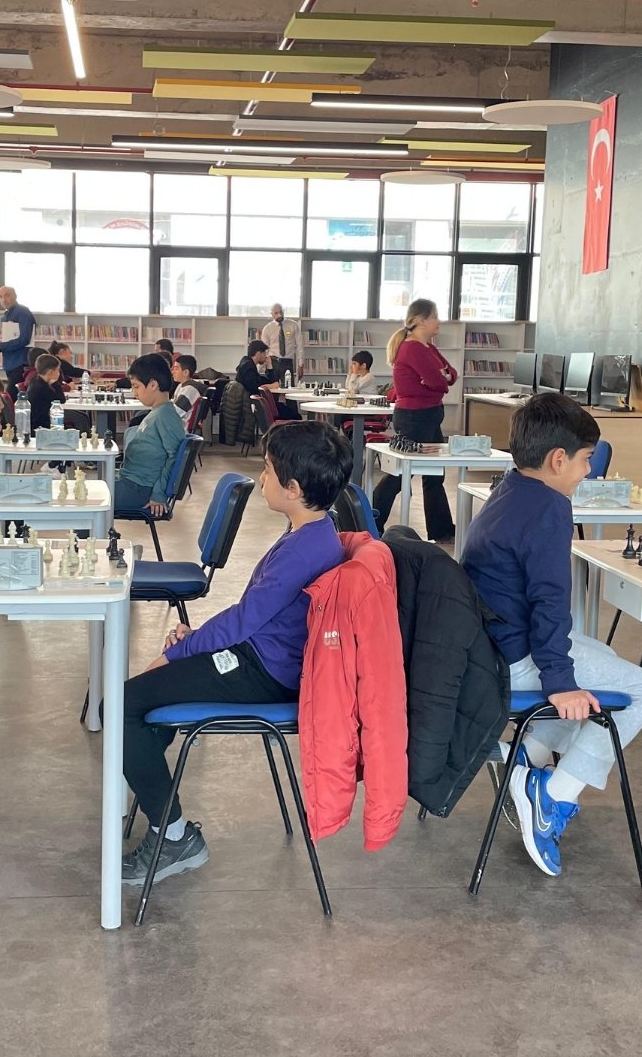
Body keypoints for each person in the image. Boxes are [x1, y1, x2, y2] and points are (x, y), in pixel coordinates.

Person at [121, 420, 352, 885]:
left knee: (123, 705)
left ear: (293, 488)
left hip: (264, 673)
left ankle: (173, 836)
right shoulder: (313, 532)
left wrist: (181, 651)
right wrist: (194, 641)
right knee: (142, 704)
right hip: (259, 657)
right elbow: (254, 618)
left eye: (267, 471)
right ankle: (153, 794)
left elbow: (246, 619)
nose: (262, 479)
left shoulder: (303, 550)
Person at [461, 393, 642, 877]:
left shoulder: (511, 489)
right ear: (558, 459)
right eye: (586, 460)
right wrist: (560, 682)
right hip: (515, 658)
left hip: (491, 647)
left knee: (603, 658)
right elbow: (549, 603)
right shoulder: (549, 507)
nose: (588, 472)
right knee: (638, 689)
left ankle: (527, 756)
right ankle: (552, 795)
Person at [371, 299, 457, 545]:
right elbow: (439, 382)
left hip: (429, 415)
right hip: (415, 417)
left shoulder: (428, 347)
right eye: (435, 317)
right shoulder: (412, 348)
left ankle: (441, 528)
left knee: (434, 475)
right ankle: (369, 520)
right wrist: (439, 379)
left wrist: (440, 378)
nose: (438, 322)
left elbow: (451, 374)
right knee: (400, 474)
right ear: (420, 320)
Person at [114, 353, 186, 515]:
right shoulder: (157, 412)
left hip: (140, 489)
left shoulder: (165, 415)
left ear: (153, 384)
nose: (134, 393)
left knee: (88, 499)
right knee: (89, 490)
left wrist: (159, 494)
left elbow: (175, 458)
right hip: (132, 482)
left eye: (136, 386)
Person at [0, 285, 35, 390]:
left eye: (7, 295)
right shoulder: (5, 316)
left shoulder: (23, 312)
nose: (4, 300)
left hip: (20, 363)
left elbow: (25, 339)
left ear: (15, 296)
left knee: (11, 395)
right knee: (12, 395)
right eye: (0, 297)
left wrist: (0, 345)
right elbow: (9, 339)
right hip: (10, 363)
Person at [260, 303, 304, 377]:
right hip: (272, 361)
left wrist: (300, 364)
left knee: (288, 384)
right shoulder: (267, 328)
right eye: (276, 313)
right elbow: (264, 349)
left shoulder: (293, 325)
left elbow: (300, 345)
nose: (279, 315)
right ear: (271, 314)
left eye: (281, 312)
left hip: (287, 362)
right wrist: (260, 366)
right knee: (272, 383)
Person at [171, 353, 206, 431]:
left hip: (179, 430)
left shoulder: (190, 390)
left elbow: (175, 413)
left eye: (176, 369)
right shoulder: (181, 385)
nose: (173, 372)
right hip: (175, 427)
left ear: (186, 372)